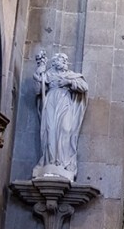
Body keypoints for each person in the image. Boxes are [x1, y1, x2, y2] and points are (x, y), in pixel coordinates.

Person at [34, 51, 88, 181]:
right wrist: (38, 72)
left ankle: (63, 162)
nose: (64, 62)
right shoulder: (48, 74)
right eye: (61, 59)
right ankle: (50, 161)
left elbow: (84, 87)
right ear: (54, 62)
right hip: (51, 101)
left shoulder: (71, 75)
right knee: (50, 130)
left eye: (65, 60)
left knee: (65, 129)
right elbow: (38, 90)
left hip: (65, 102)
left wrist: (68, 82)